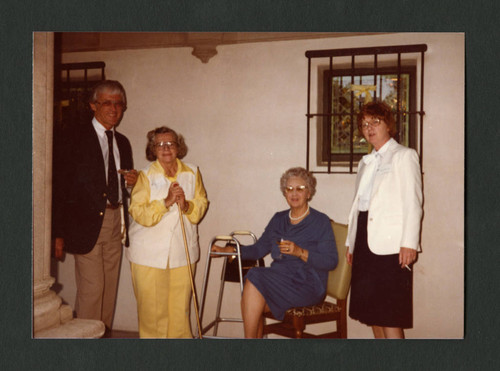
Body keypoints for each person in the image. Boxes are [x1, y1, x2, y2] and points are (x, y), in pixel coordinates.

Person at [52, 80, 138, 333]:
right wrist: (57, 232)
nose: (113, 108)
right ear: (93, 105)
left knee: (109, 290)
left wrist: (132, 183)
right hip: (85, 225)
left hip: (116, 223)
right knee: (92, 291)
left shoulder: (123, 142)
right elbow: (59, 187)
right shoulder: (74, 137)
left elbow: (124, 183)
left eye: (118, 103)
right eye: (107, 102)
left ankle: (102, 342)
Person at [212, 167, 338, 338]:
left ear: (309, 193)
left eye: (300, 189)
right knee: (255, 304)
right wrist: (229, 250)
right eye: (289, 189)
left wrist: (300, 252)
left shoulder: (320, 221)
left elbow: (331, 261)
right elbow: (258, 250)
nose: (294, 193)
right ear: (284, 193)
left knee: (255, 277)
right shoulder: (278, 219)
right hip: (279, 280)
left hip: (307, 284)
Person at [345, 101, 423, 339]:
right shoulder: (365, 162)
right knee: (372, 315)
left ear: (389, 124)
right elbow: (360, 206)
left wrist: (409, 242)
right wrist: (351, 242)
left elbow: (413, 202)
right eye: (364, 124)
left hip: (390, 248)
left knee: (389, 316)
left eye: (375, 122)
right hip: (365, 243)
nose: (369, 128)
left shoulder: (404, 156)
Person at [126, 126, 208, 338]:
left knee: (180, 313)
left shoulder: (192, 171)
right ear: (152, 149)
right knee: (153, 315)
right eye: (160, 144)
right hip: (148, 255)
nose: (166, 148)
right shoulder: (144, 175)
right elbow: (138, 212)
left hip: (182, 253)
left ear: (178, 147)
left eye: (170, 143)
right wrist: (166, 202)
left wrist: (187, 205)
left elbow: (201, 203)